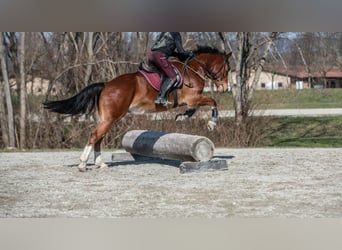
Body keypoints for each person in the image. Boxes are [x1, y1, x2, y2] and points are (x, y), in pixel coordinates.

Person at [148, 32, 193, 105]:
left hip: (151, 56)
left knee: (162, 74)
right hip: (160, 56)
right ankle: (161, 98)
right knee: (173, 77)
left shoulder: (164, 32)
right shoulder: (176, 34)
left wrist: (177, 54)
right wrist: (189, 53)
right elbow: (181, 51)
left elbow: (163, 48)